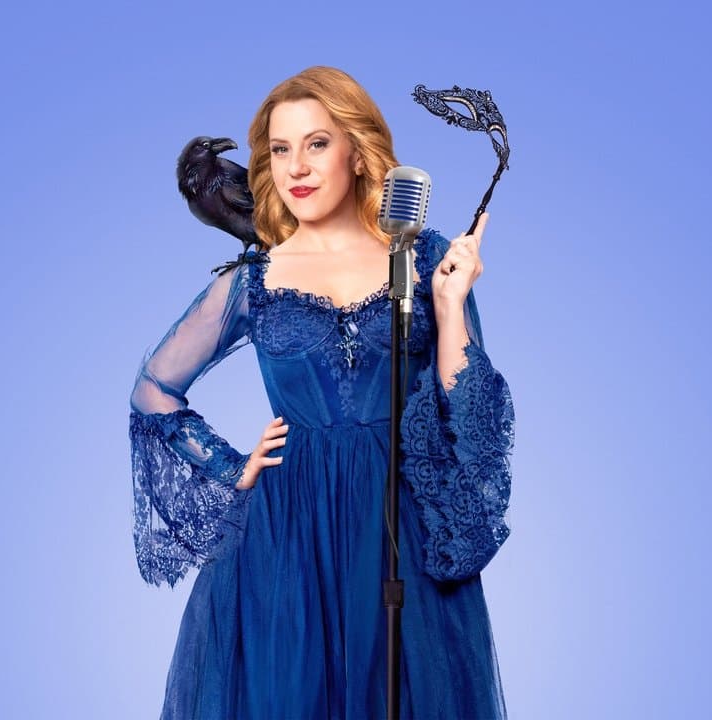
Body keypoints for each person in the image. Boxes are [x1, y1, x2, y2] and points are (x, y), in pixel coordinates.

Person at [129, 66, 515, 719]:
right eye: (280, 149)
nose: (296, 168)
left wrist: (450, 305)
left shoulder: (421, 258)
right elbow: (154, 389)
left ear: (358, 154)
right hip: (285, 534)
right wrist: (231, 466)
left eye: (316, 144)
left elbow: (468, 415)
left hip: (402, 528)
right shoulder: (254, 280)